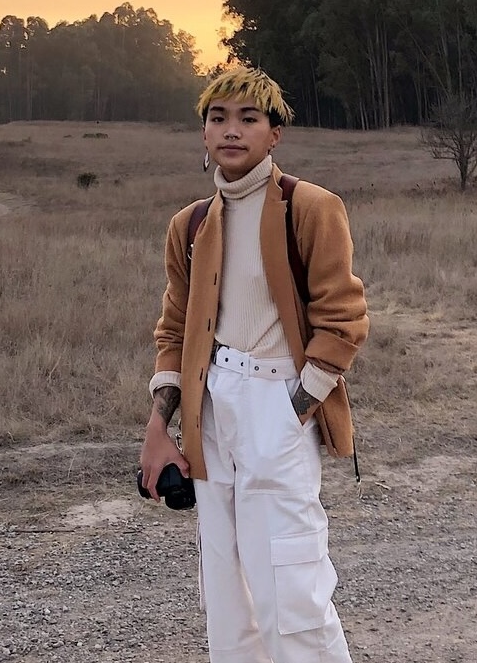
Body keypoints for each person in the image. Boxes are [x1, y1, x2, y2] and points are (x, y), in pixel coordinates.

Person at [139, 66, 369, 663]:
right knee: (226, 587)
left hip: (279, 401)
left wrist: (298, 406)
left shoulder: (311, 207)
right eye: (218, 118)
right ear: (204, 134)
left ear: (275, 135)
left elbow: (343, 317)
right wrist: (161, 427)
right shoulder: (189, 224)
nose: (232, 131)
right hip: (210, 409)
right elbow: (173, 329)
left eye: (249, 118)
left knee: (292, 583)